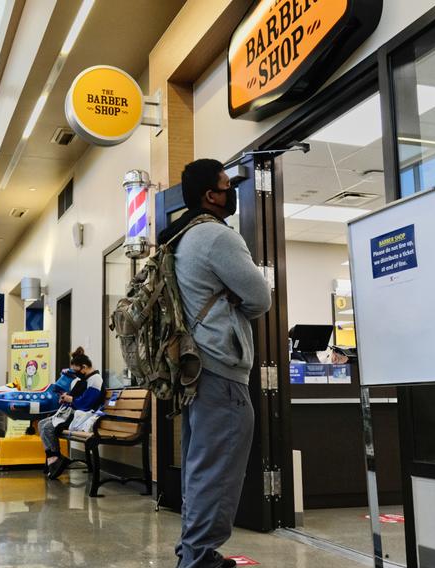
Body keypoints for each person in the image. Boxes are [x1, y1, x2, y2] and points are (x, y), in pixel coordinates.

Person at [157, 159, 270, 568]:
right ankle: (199, 559)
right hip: (220, 369)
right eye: (226, 186)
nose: (231, 192)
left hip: (194, 370)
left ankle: (195, 552)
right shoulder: (216, 237)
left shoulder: (181, 236)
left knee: (200, 469)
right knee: (218, 473)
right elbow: (261, 297)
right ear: (210, 195)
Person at [40, 347, 104, 479]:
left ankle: (55, 458)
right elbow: (77, 399)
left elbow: (87, 404)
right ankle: (53, 457)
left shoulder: (95, 379)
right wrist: (66, 398)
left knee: (47, 427)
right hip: (73, 412)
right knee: (41, 424)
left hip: (82, 416)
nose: (76, 374)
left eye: (76, 371)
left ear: (84, 367)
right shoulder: (84, 380)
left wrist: (70, 399)